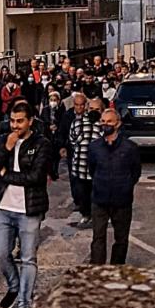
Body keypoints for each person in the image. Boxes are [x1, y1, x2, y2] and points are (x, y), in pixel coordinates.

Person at [0, 101, 52, 308]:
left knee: (28, 258)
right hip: (3, 207)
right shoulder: (4, 140)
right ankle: (13, 286)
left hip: (29, 209)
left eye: (20, 121)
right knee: (0, 252)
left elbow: (35, 177)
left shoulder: (41, 144)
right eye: (12, 121)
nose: (15, 125)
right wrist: (6, 149)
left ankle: (25, 302)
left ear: (30, 121)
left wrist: (5, 175)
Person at [88, 109, 141, 264]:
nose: (105, 125)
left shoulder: (130, 148)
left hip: (122, 201)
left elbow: (135, 172)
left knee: (121, 238)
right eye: (103, 121)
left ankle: (117, 269)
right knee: (98, 237)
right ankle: (97, 271)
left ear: (118, 124)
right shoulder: (94, 147)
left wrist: (125, 186)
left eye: (109, 121)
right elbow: (92, 169)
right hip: (99, 199)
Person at [68, 97, 104, 229]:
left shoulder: (104, 125)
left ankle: (97, 217)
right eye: (91, 109)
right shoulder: (77, 123)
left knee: (97, 196)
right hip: (80, 168)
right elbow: (72, 141)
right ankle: (85, 215)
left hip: (98, 171)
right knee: (82, 195)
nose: (94, 111)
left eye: (97, 109)